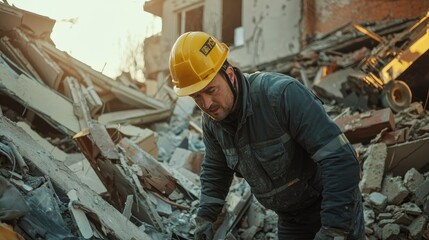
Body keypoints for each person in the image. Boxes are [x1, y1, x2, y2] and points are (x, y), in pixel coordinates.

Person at [169, 31, 364, 240]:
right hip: (291, 217)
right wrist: (205, 218)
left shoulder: (281, 96)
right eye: (196, 96)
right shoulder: (211, 123)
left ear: (230, 75)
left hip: (331, 205)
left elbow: (340, 158)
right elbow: (216, 170)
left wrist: (334, 229)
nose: (207, 104)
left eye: (211, 90)